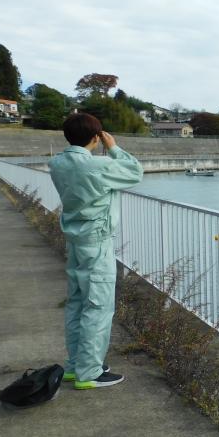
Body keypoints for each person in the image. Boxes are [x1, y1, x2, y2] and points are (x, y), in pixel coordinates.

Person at [48, 114, 143, 389]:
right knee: (98, 306)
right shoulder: (97, 166)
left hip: (75, 240)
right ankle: (89, 372)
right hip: (97, 242)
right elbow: (135, 171)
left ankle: (76, 364)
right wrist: (113, 147)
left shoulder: (57, 164)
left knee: (77, 302)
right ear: (95, 137)